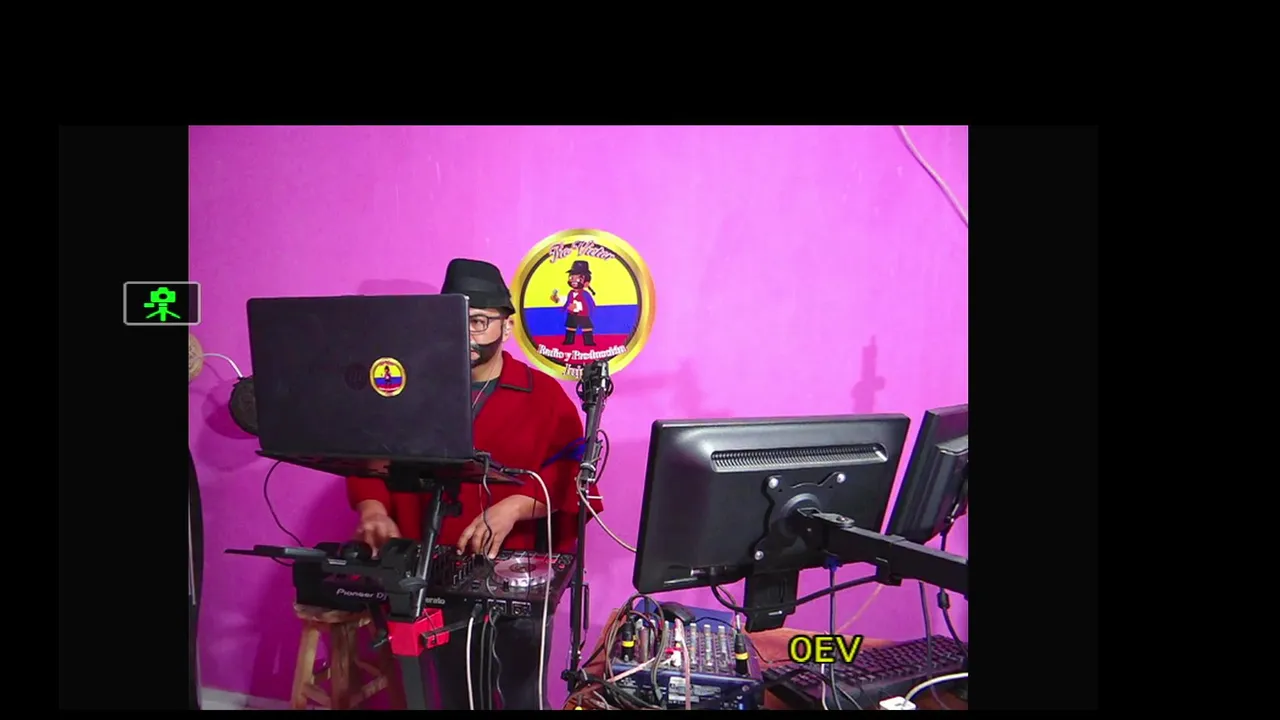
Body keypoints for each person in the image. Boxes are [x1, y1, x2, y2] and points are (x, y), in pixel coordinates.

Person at [346, 258, 603, 710]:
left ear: (507, 327)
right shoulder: (410, 390)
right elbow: (372, 457)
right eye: (455, 322)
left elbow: (574, 473)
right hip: (436, 572)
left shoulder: (543, 394)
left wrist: (515, 506)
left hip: (519, 574)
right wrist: (373, 508)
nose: (466, 334)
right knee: (457, 692)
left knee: (523, 695)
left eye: (480, 322)